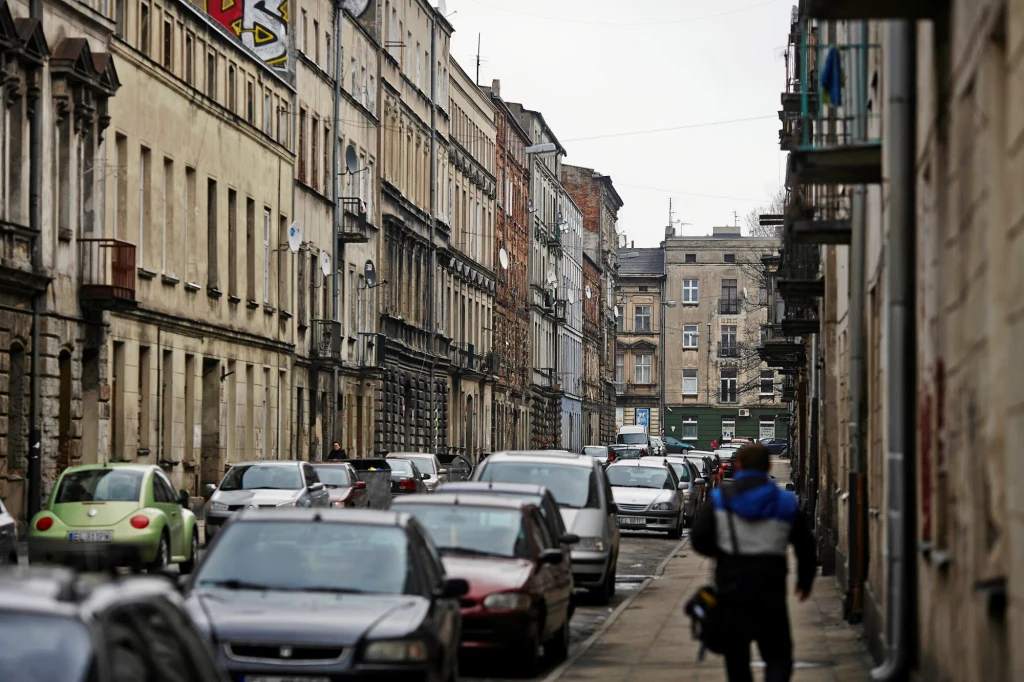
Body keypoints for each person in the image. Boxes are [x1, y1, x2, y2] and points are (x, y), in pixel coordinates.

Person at [691, 443, 816, 682]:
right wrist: (805, 580)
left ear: (738, 466)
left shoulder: (720, 499)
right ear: (768, 466)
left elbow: (698, 540)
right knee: (778, 657)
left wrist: (722, 552)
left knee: (737, 660)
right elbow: (805, 545)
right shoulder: (786, 502)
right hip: (771, 590)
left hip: (731, 590)